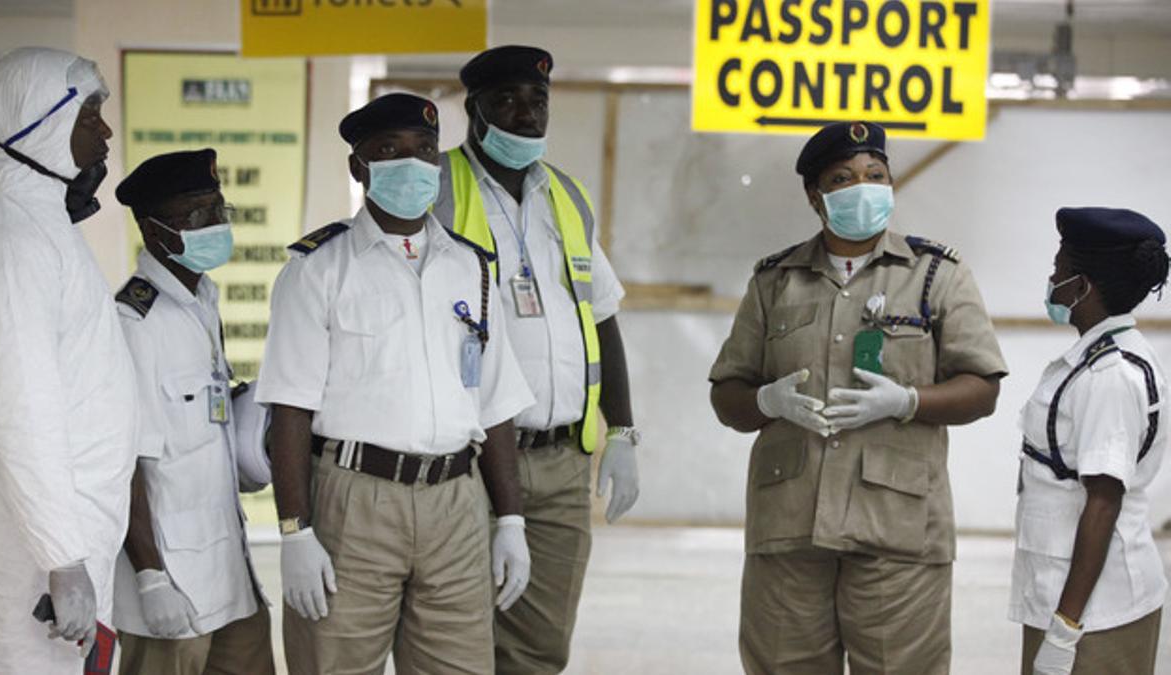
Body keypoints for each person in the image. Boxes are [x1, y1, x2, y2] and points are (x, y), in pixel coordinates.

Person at [708, 121, 1008, 674]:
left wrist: (908, 402)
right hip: (790, 528)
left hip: (897, 530)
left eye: (875, 175)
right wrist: (767, 402)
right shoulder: (775, 281)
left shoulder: (936, 274)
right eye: (843, 178)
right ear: (815, 196)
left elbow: (982, 387)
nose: (863, 186)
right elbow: (727, 393)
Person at [256, 93, 534, 674]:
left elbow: (496, 403)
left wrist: (510, 520)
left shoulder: (472, 267)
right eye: (390, 151)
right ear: (359, 168)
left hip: (457, 500)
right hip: (355, 502)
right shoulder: (317, 270)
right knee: (336, 664)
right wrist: (294, 532)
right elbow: (289, 410)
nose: (412, 164)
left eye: (425, 151)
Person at [433, 45, 640, 674]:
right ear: (473, 111)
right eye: (507, 102)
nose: (527, 115)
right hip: (466, 461)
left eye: (538, 102)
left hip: (561, 465)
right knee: (461, 637)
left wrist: (624, 429)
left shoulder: (567, 198)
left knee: (541, 644)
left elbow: (601, 317)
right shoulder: (437, 188)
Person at [0, 47, 137, 673]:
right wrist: (62, 557)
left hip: (66, 535)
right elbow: (21, 409)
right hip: (34, 556)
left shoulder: (42, 223)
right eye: (90, 114)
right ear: (41, 122)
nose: (106, 132)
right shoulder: (10, 237)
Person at [110, 148, 274, 675]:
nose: (215, 225)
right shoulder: (135, 322)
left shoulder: (202, 298)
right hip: (169, 582)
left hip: (229, 566)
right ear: (155, 231)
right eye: (197, 215)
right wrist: (151, 579)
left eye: (218, 209)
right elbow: (126, 462)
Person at [1012, 207, 1169, 675]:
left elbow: (1103, 500)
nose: (1051, 278)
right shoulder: (1096, 359)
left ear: (1082, 287)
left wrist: (1064, 630)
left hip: (1094, 612)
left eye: (1059, 269)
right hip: (1066, 593)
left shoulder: (1110, 376)